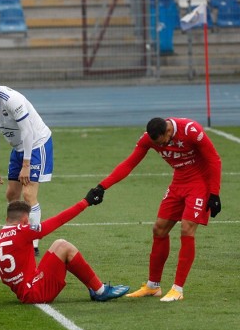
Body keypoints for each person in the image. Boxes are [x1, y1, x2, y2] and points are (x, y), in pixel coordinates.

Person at [91, 117, 222, 302]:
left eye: (163, 142)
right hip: (179, 182)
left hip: (200, 183)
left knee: (187, 228)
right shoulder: (148, 139)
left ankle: (177, 289)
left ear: (168, 131)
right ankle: (153, 286)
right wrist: (102, 186)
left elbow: (214, 159)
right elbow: (129, 164)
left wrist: (214, 193)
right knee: (159, 229)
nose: (163, 147)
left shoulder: (191, 131)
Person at [0, 189, 129, 304]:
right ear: (25, 220)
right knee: (64, 247)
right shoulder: (22, 231)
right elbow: (58, 220)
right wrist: (85, 202)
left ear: (7, 219)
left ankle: (94, 288)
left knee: (58, 244)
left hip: (26, 288)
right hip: (34, 292)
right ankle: (100, 291)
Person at [0, 70, 53, 256]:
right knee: (11, 195)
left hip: (36, 143)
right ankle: (15, 233)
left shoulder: (12, 100)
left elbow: (27, 132)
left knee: (28, 194)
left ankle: (32, 244)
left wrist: (26, 165)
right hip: (18, 147)